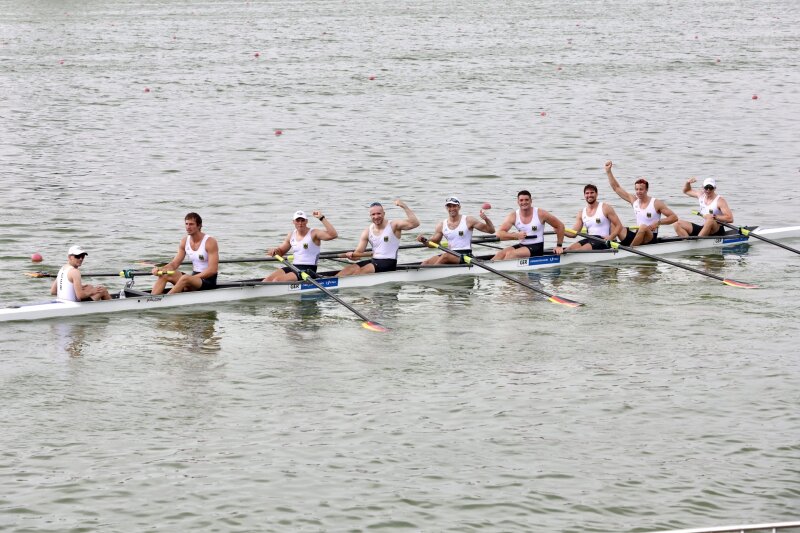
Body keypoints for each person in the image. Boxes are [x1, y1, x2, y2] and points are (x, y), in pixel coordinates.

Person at [337, 200, 420, 276]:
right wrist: (351, 255)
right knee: (348, 269)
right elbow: (358, 255)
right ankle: (332, 281)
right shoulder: (367, 231)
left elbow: (415, 223)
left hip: (389, 263)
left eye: (378, 213)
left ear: (384, 213)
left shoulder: (394, 225)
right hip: (374, 261)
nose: (376, 217)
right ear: (370, 215)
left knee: (361, 272)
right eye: (373, 214)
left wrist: (404, 206)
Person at [605, 160, 677, 246]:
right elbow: (616, 188)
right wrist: (608, 171)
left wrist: (658, 222)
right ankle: (612, 245)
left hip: (650, 237)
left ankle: (630, 250)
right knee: (614, 223)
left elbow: (674, 217)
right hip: (638, 234)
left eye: (641, 189)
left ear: (646, 190)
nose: (638, 192)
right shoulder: (634, 201)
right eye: (637, 189)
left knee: (643, 227)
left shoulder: (656, 203)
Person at [151, 212, 219, 295]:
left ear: (199, 226)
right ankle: (151, 299)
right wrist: (160, 269)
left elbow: (212, 270)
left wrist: (191, 278)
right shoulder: (184, 241)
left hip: (208, 281)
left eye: (191, 224)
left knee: (185, 278)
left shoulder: (210, 242)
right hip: (193, 279)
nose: (188, 227)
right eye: (186, 224)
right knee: (165, 274)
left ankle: (166, 301)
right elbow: (174, 264)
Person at [416, 196, 495, 264]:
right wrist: (423, 241)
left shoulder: (469, 220)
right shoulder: (441, 225)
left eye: (454, 206)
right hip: (450, 254)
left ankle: (431, 274)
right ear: (447, 208)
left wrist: (486, 219)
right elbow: (433, 244)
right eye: (449, 206)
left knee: (445, 256)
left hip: (465, 255)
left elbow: (491, 230)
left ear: (459, 207)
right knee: (426, 262)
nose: (452, 208)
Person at [263, 210, 338, 281]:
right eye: (297, 220)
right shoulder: (291, 235)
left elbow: (333, 235)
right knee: (267, 280)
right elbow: (281, 252)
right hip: (293, 267)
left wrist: (321, 218)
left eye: (302, 220)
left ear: (307, 221)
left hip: (308, 270)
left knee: (277, 280)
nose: (300, 223)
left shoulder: (314, 233)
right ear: (293, 222)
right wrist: (275, 251)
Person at [491, 190, 565, 260]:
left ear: (531, 201)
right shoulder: (513, 216)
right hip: (522, 246)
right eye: (521, 200)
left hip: (536, 247)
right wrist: (515, 235)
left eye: (526, 200)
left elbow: (560, 226)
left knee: (511, 254)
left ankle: (501, 269)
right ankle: (487, 269)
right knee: (500, 254)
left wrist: (559, 246)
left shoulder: (541, 213)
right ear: (518, 202)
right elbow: (499, 233)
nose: (524, 202)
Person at [566, 184, 625, 250]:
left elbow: (619, 226)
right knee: (569, 249)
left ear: (596, 194)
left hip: (604, 241)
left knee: (579, 250)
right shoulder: (581, 213)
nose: (589, 195)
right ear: (584, 195)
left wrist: (611, 237)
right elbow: (573, 234)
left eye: (592, 193)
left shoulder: (605, 208)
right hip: (590, 239)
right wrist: (560, 230)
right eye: (587, 193)